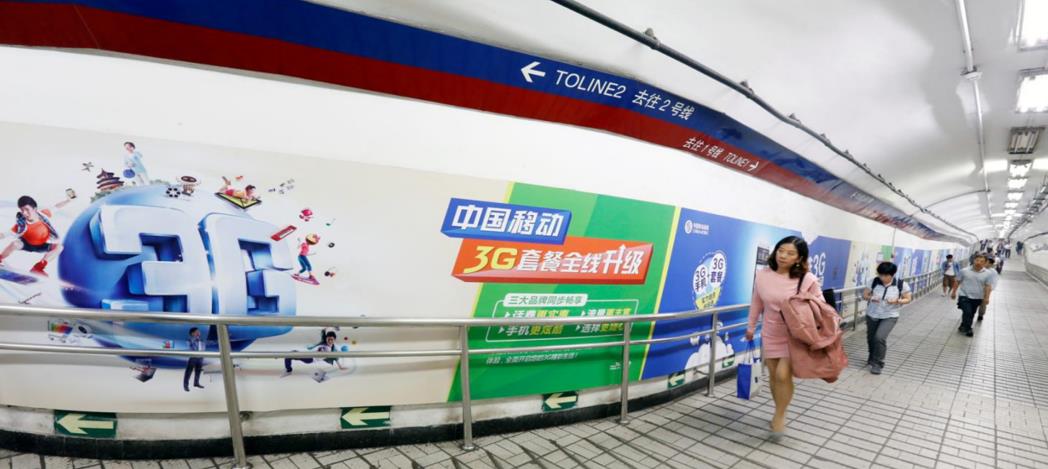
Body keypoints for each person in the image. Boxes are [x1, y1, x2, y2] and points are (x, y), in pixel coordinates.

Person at [745, 235, 824, 436]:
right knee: (773, 376)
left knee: (782, 375)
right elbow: (757, 302)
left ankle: (780, 415)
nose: (783, 256)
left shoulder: (807, 279)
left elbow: (821, 304)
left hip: (795, 334)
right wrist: (751, 326)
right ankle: (778, 408)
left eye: (790, 253)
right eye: (781, 251)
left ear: (799, 258)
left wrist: (807, 300)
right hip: (770, 332)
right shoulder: (763, 275)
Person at [0, 194, 73, 275]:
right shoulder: (21, 224)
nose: (25, 213)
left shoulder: (44, 214)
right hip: (26, 244)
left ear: (35, 209)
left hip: (41, 245)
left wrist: (68, 200)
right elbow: (4, 234)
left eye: (27, 209)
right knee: (15, 244)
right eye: (22, 210)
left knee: (59, 247)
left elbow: (57, 207)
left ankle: (38, 267)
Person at [861, 262, 911, 375]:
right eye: (880, 275)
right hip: (872, 314)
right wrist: (871, 298)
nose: (882, 277)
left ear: (892, 274)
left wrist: (897, 301)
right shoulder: (873, 281)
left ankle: (878, 364)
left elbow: (908, 299)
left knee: (879, 337)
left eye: (885, 275)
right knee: (871, 338)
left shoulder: (901, 284)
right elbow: (864, 295)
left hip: (890, 315)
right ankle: (872, 356)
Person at [950, 253, 996, 337]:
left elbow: (988, 286)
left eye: (981, 261)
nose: (978, 262)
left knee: (971, 313)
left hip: (978, 297)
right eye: (977, 260)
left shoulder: (988, 274)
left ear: (985, 263)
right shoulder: (964, 271)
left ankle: (963, 325)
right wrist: (953, 292)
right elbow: (957, 281)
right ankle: (969, 329)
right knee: (967, 312)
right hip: (964, 295)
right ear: (974, 260)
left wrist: (987, 298)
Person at [977, 258, 1001, 322]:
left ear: (990, 264)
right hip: (977, 288)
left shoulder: (993, 272)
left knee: (983, 303)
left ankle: (980, 315)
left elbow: (993, 282)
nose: (984, 263)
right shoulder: (980, 269)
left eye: (986, 262)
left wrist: (989, 291)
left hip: (986, 290)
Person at [183, 327, 206, 392]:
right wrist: (195, 339)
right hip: (193, 357)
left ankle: (196, 383)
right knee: (189, 372)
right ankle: (186, 386)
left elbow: (203, 347)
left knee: (198, 371)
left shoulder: (201, 340)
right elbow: (189, 347)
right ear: (192, 333)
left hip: (200, 357)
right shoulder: (189, 340)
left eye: (199, 331)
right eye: (197, 332)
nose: (199, 333)